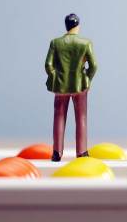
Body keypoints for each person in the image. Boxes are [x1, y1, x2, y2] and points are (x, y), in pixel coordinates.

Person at [45, 13, 97, 161]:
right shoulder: (85, 43)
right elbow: (93, 65)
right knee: (81, 118)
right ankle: (81, 151)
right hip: (79, 85)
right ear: (77, 25)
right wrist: (87, 78)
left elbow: (48, 65)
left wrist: (56, 77)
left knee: (59, 117)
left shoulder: (56, 43)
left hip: (61, 86)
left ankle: (57, 152)